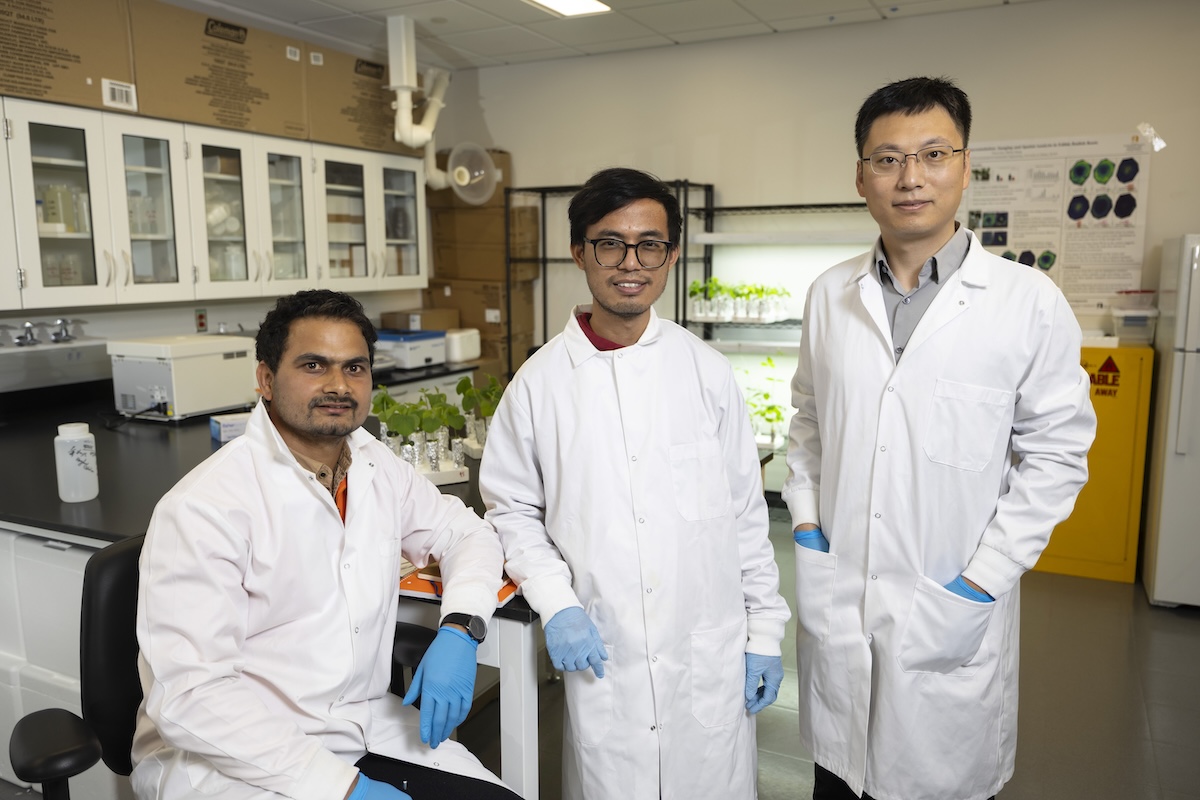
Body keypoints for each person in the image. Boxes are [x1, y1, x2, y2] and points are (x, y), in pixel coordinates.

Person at [781, 76, 1097, 800]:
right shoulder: (830, 293)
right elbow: (808, 421)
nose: (910, 177)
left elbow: (1057, 457)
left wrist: (979, 581)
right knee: (840, 778)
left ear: (964, 166)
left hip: (953, 605)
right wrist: (806, 525)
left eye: (932, 153)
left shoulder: (1027, 303)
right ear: (861, 176)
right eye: (887, 159)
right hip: (843, 599)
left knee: (937, 780)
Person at [131, 290, 519, 800]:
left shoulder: (373, 463)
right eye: (314, 365)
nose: (338, 384)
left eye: (355, 368)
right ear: (266, 379)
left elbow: (467, 533)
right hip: (235, 761)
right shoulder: (205, 507)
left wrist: (462, 628)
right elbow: (190, 698)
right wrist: (343, 789)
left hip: (360, 728)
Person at [479, 167, 791, 800]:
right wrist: (559, 604)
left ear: (671, 255)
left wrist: (764, 632)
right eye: (609, 243)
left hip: (704, 649)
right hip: (606, 651)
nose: (631, 262)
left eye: (650, 244)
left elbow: (744, 516)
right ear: (579, 252)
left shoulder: (705, 373)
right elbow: (511, 512)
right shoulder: (537, 386)